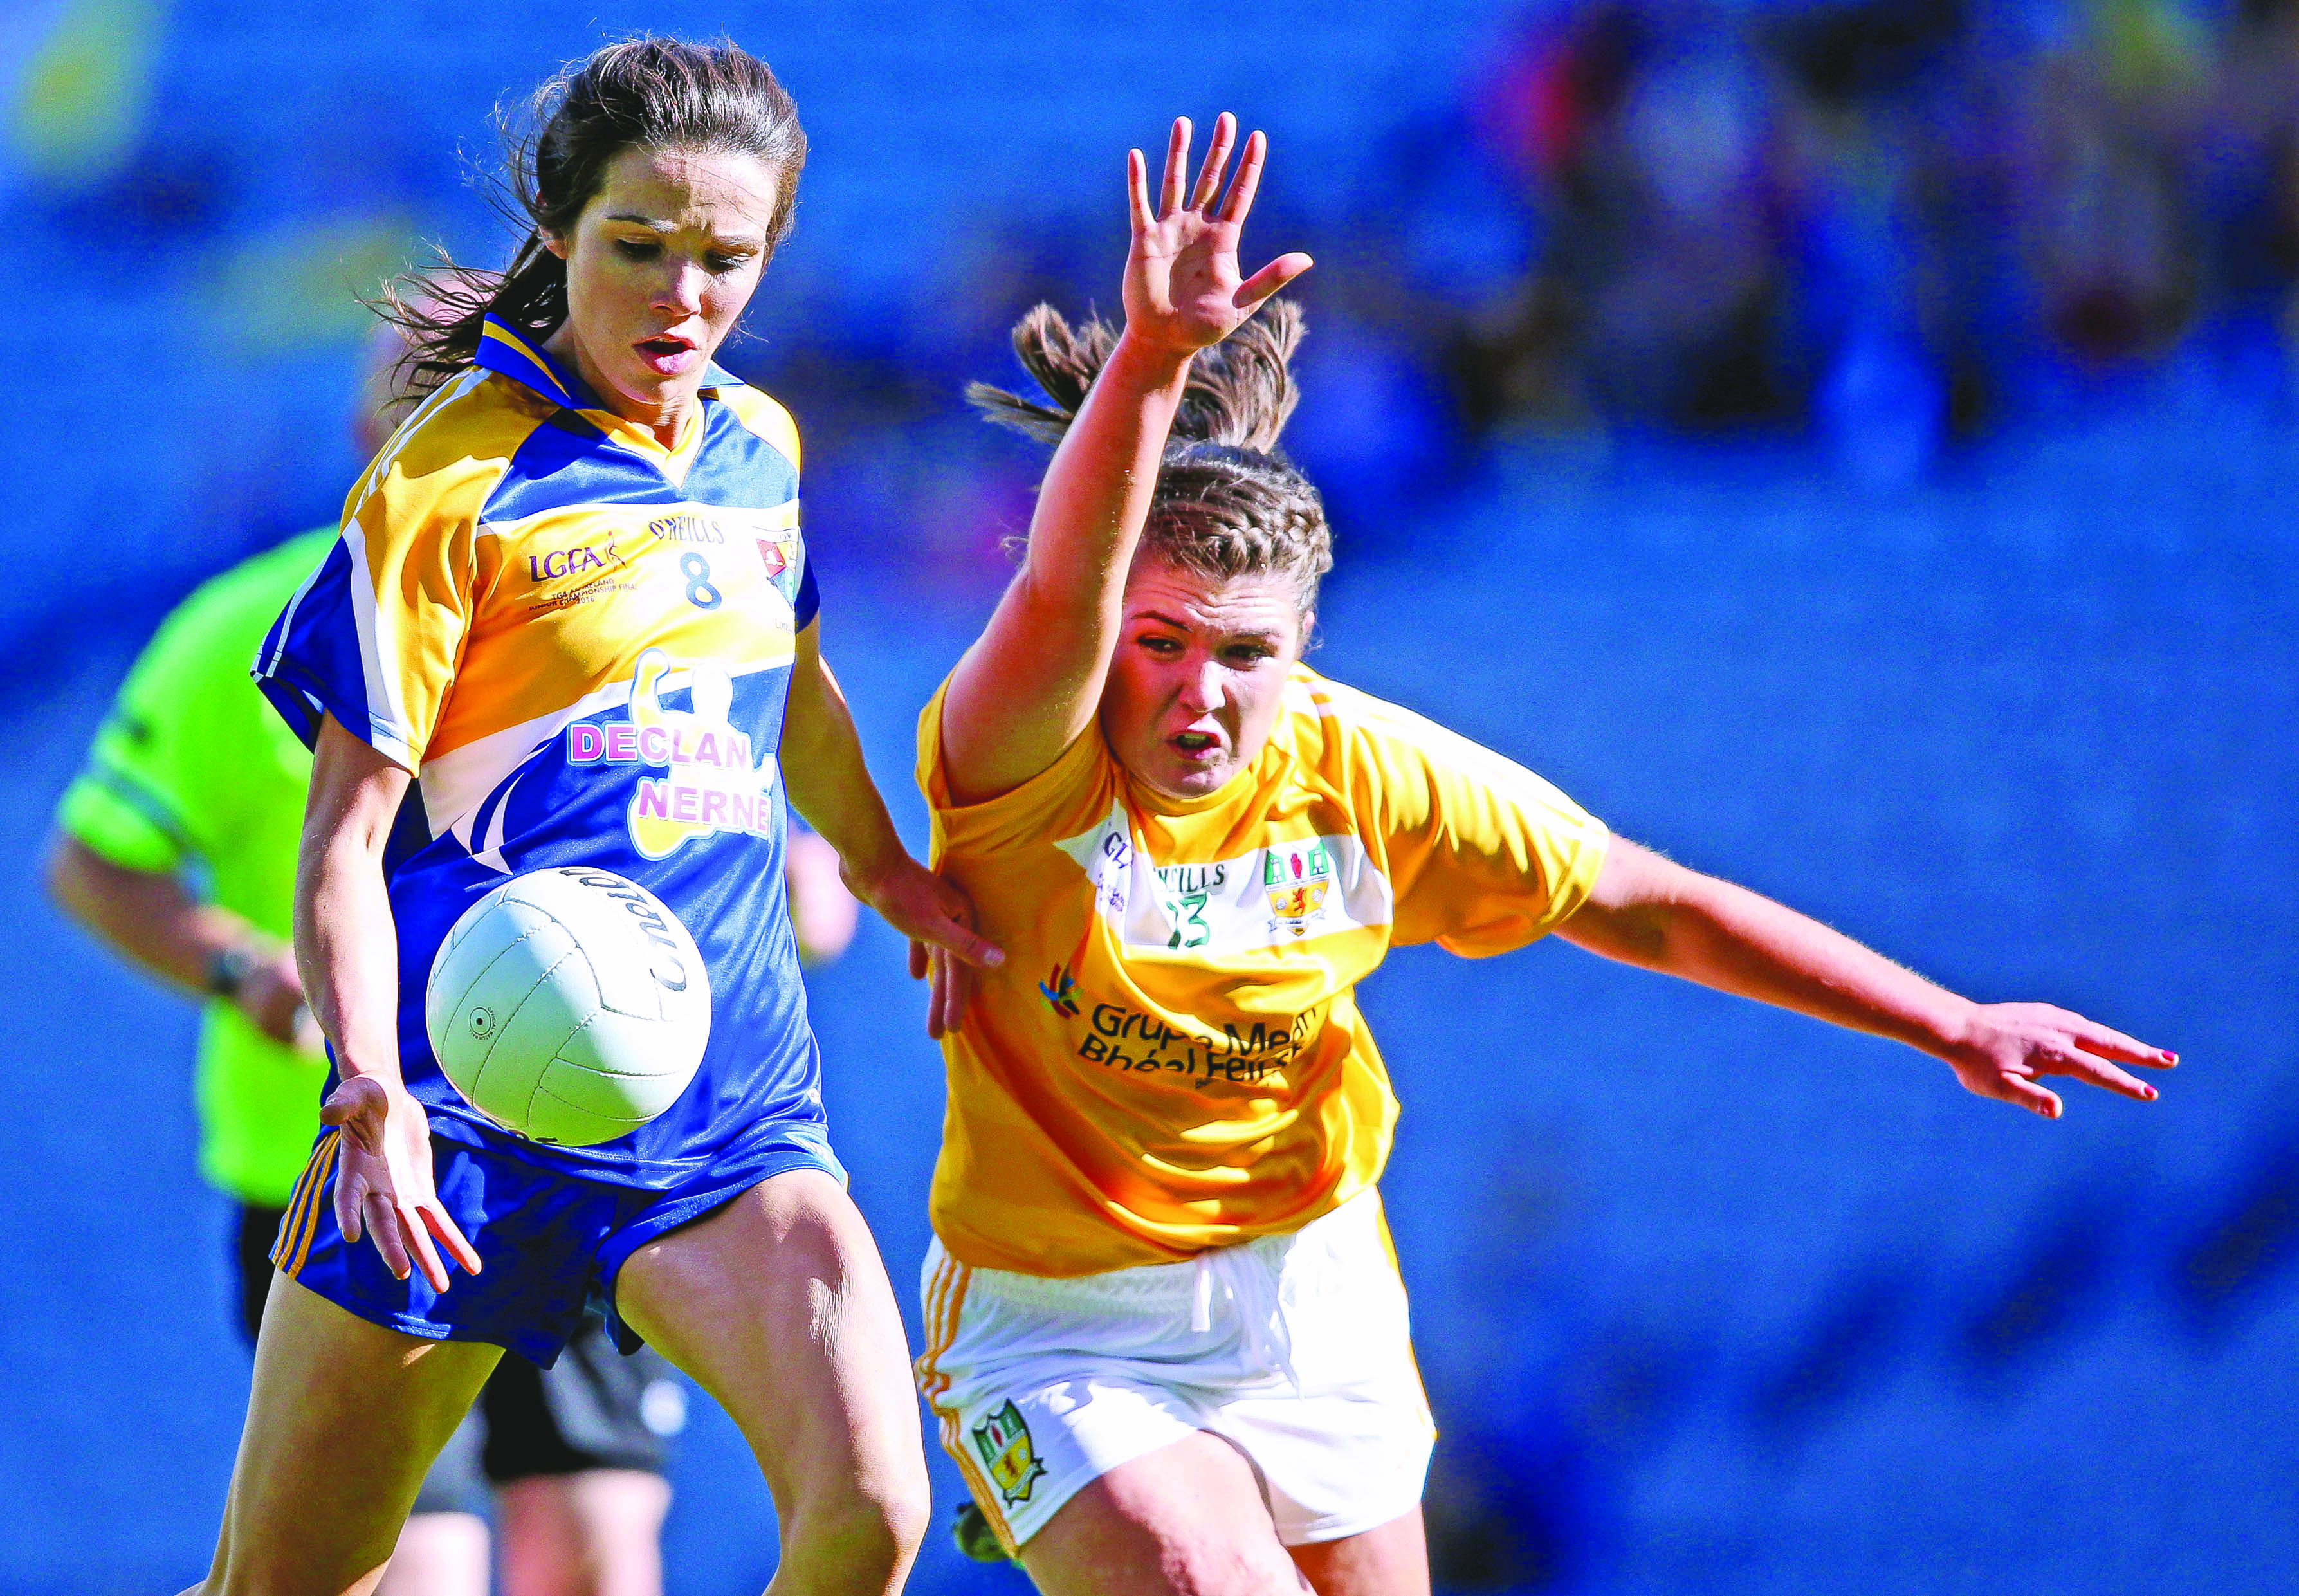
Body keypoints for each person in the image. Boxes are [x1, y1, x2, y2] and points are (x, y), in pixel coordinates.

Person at [908, 115, 2177, 1596]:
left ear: (1303, 648)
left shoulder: (1366, 772)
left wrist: (1948, 1018)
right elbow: (1065, 583)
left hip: (1306, 1295)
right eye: (1159, 644)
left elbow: (1647, 902)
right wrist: (1148, 358)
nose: (1198, 692)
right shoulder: (1021, 760)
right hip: (1063, 1320)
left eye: (1242, 654)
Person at [180, 37, 996, 1596]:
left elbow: (797, 683)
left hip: (721, 1113)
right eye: (639, 247)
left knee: (874, 1510)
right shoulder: (445, 485)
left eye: (724, 259)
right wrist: (368, 1090)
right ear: (559, 227)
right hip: (456, 1134)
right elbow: (343, 841)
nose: (683, 298)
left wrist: (887, 868)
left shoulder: (764, 447)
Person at [49, 331, 863, 1596]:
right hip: (359, 1162)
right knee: (397, 1572)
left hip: (592, 1143)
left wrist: (795, 886)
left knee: (596, 1560)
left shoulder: (611, 599)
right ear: (373, 455)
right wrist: (251, 973)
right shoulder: (241, 630)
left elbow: (733, 807)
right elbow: (92, 863)